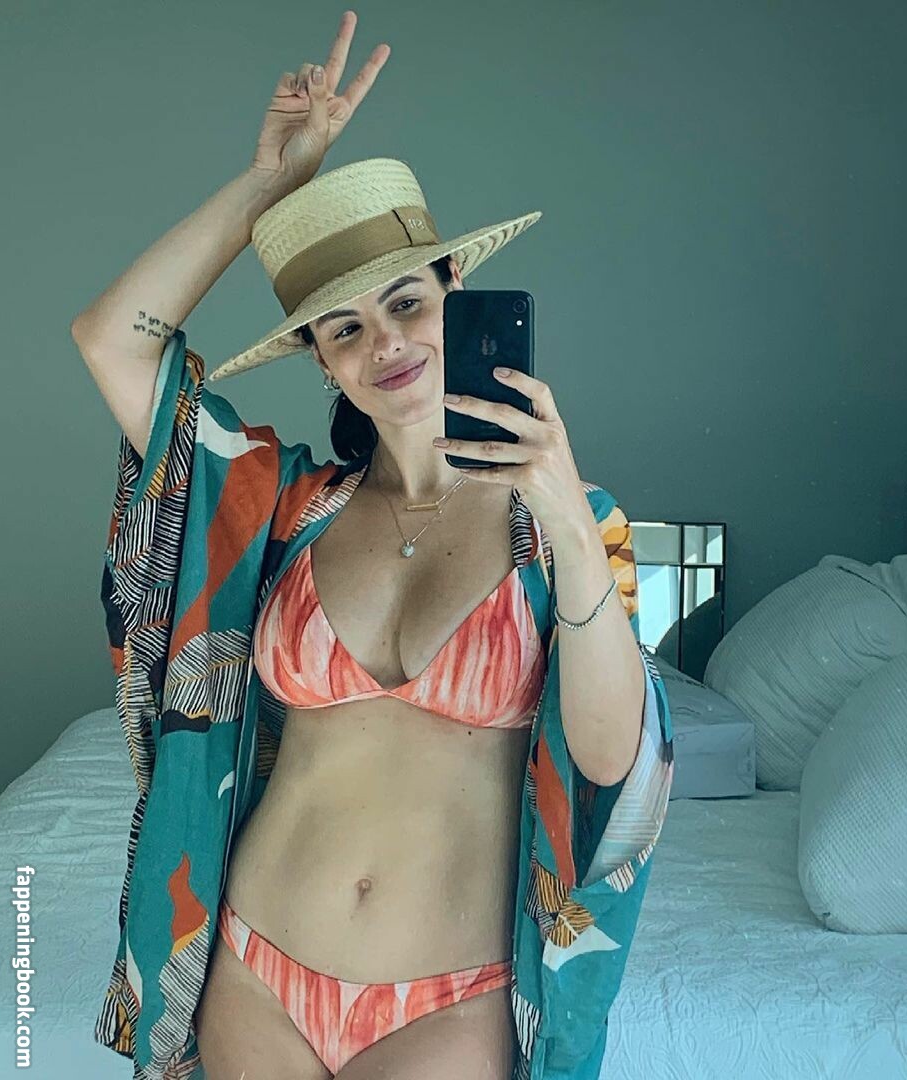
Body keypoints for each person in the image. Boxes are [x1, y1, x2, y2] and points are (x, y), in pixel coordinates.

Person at [73, 10, 674, 1079]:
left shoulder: (566, 523)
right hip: (255, 973)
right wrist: (271, 181)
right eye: (343, 326)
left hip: (450, 1002)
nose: (386, 342)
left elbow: (608, 765)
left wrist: (571, 524)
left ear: (455, 295)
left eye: (405, 302)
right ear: (322, 361)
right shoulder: (283, 507)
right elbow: (113, 341)